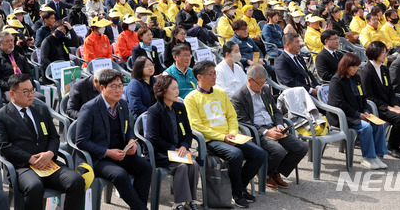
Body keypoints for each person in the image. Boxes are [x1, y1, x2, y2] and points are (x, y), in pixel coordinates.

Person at [0, 73, 85, 208]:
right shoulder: (1, 116)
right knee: (34, 187)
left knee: (76, 181)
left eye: (32, 90)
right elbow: (4, 147)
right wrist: (30, 159)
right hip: (23, 167)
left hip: (48, 162)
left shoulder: (41, 109)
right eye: (25, 92)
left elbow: (54, 136)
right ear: (12, 94)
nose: (31, 95)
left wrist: (50, 153)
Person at [184, 60, 267, 207]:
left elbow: (231, 116)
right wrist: (223, 137)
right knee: (235, 155)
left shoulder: (220, 93)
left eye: (215, 73)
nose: (215, 77)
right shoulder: (191, 98)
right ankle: (237, 192)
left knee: (260, 154)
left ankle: (239, 187)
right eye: (211, 74)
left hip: (230, 136)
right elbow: (196, 126)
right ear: (199, 77)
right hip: (210, 140)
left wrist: (233, 134)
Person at [75, 69, 152, 210]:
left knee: (146, 168)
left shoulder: (122, 105)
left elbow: (128, 129)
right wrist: (108, 152)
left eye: (120, 86)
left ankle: (139, 207)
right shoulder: (89, 108)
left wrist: (130, 141)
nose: (118, 90)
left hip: (121, 153)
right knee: (120, 175)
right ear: (103, 88)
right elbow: (81, 141)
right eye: (114, 86)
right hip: (98, 157)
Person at [230, 64, 307, 189]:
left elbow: (276, 111)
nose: (261, 86)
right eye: (259, 83)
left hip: (272, 126)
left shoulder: (265, 90)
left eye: (263, 82)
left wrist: (279, 125)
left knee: (301, 147)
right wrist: (266, 132)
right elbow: (244, 122)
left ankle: (274, 172)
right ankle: (264, 173)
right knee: (278, 151)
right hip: (256, 131)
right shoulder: (239, 97)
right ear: (249, 80)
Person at [146, 75, 202, 210]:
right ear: (163, 91)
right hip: (161, 152)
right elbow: (153, 138)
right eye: (174, 89)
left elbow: (188, 132)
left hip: (179, 150)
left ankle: (190, 200)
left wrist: (184, 146)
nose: (177, 92)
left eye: (177, 88)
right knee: (182, 166)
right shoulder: (154, 111)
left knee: (193, 164)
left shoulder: (179, 107)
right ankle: (178, 203)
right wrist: (173, 148)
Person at [328, 52, 389, 169]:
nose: (356, 69)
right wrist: (358, 114)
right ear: (345, 66)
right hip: (343, 116)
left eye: (357, 66)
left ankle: (377, 155)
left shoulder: (356, 78)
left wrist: (365, 111)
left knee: (379, 124)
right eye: (353, 67)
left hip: (358, 113)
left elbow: (362, 98)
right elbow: (339, 103)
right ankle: (368, 157)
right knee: (366, 127)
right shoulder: (337, 80)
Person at [360, 41, 400, 159]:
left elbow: (391, 90)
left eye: (385, 52)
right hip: (375, 107)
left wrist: (396, 105)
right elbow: (369, 96)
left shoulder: (384, 69)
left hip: (387, 104)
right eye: (382, 53)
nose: (385, 55)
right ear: (374, 53)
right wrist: (389, 107)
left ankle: (398, 145)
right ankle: (391, 146)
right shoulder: (366, 71)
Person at [0, 31, 34, 101]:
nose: (11, 43)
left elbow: (29, 74)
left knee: (39, 97)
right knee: (20, 98)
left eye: (12, 40)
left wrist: (26, 86)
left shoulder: (21, 58)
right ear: (0, 45)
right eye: (7, 41)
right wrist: (13, 87)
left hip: (25, 89)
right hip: (8, 90)